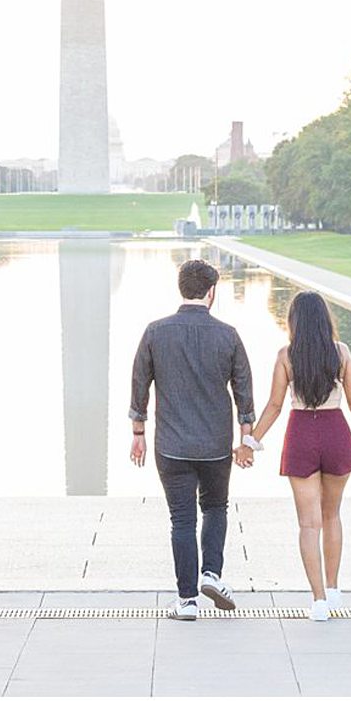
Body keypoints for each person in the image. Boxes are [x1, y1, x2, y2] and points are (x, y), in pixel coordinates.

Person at [127, 259, 257, 622]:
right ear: (212, 292)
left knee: (181, 520)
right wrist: (247, 438)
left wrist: (138, 432)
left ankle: (186, 600)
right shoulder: (228, 335)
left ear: (181, 289)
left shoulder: (156, 332)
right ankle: (211, 574)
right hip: (216, 444)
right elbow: (244, 391)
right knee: (215, 508)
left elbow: (139, 384)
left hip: (171, 443)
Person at [250, 290, 351, 620]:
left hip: (300, 434)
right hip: (336, 432)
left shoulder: (286, 355)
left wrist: (250, 441)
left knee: (308, 524)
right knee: (332, 516)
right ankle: (334, 587)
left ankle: (318, 601)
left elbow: (274, 405)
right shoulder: (341, 352)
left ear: (293, 321)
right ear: (325, 320)